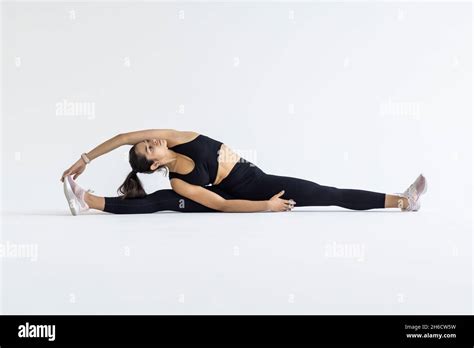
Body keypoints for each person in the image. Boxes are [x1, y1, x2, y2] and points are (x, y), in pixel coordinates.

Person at [60, 129, 427, 215]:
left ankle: (402, 200)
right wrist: (265, 207)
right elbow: (220, 205)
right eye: (148, 148)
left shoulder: (177, 138)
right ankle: (89, 200)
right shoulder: (179, 181)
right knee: (162, 200)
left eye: (149, 141)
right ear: (153, 163)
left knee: (322, 190)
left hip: (257, 177)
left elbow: (125, 136)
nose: (151, 139)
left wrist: (86, 157)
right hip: (244, 194)